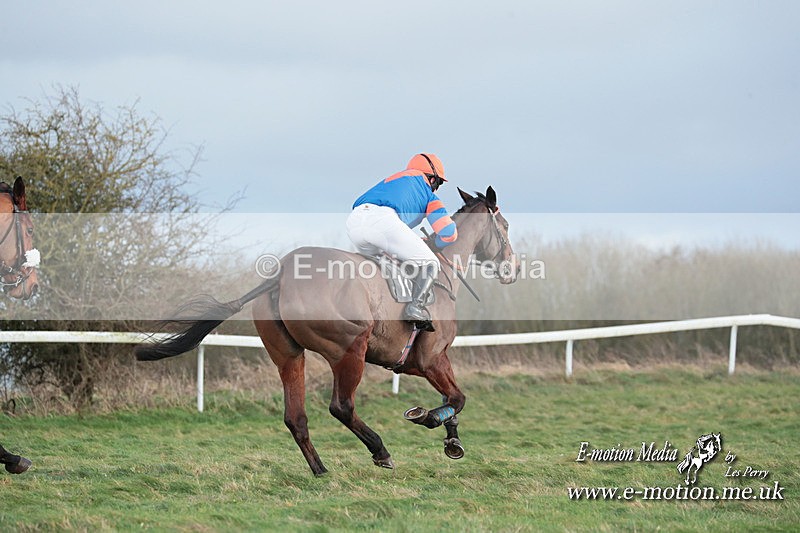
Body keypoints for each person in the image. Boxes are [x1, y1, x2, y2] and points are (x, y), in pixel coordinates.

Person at [347, 153, 457, 330]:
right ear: (432, 179)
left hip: (354, 222)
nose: (436, 189)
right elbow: (449, 233)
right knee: (431, 262)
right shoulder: (427, 194)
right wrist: (434, 244)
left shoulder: (391, 180)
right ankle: (415, 307)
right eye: (439, 183)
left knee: (384, 265)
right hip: (383, 222)